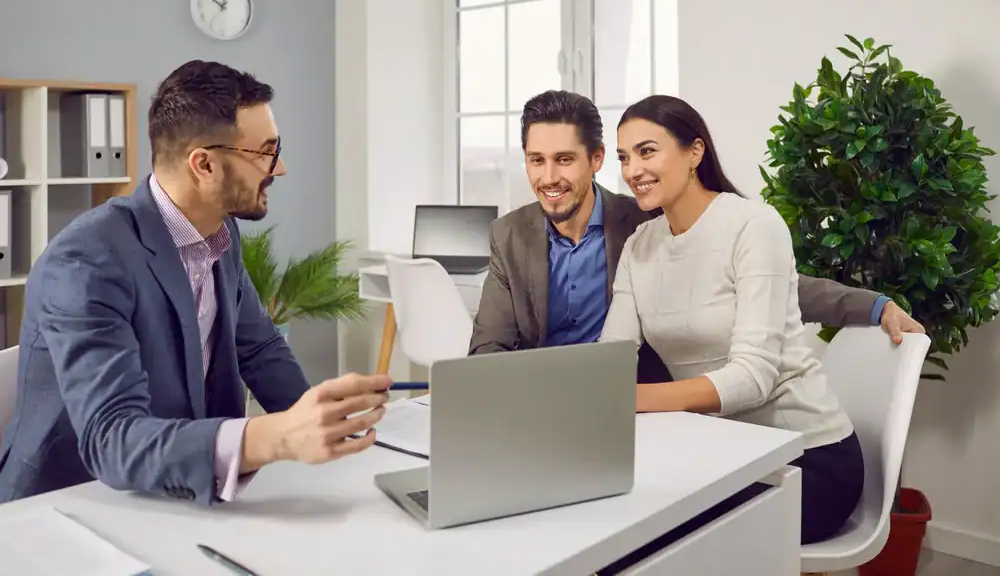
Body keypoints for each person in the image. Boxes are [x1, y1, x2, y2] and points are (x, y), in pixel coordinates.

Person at [0, 61, 390, 505]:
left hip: (171, 492)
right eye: (265, 151)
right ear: (203, 164)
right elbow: (112, 438)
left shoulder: (219, 234)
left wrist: (326, 424)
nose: (279, 168)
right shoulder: (85, 260)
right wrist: (273, 437)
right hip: (67, 507)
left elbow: (259, 349)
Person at [468, 90, 924, 383]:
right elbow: (489, 346)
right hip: (538, 402)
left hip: (636, 407)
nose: (548, 177)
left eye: (564, 160)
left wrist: (873, 305)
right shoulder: (508, 235)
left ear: (597, 159)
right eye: (535, 160)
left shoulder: (644, 222)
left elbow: (766, 281)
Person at [600, 93, 867, 552]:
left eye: (647, 151)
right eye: (624, 157)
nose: (632, 171)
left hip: (804, 459)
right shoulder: (640, 245)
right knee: (605, 512)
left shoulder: (752, 225)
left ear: (694, 152)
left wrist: (629, 399)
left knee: (640, 534)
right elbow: (612, 358)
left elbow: (753, 379)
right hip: (719, 450)